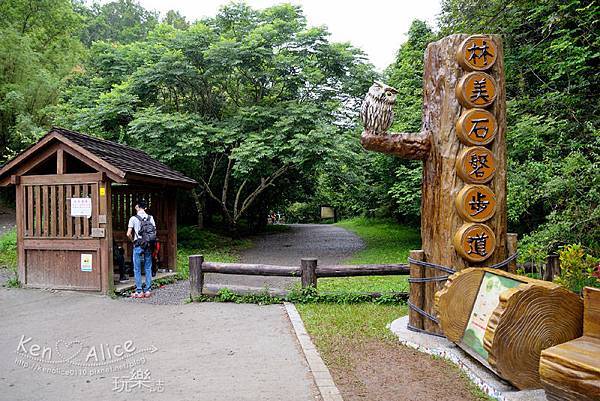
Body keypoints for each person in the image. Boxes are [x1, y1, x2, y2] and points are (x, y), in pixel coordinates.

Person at [127, 199, 156, 298]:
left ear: (137, 207)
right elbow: (154, 232)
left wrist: (133, 241)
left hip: (138, 244)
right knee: (148, 267)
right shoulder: (150, 217)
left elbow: (128, 234)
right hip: (148, 245)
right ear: (146, 208)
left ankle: (139, 291)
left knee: (137, 268)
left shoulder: (133, 218)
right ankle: (148, 290)